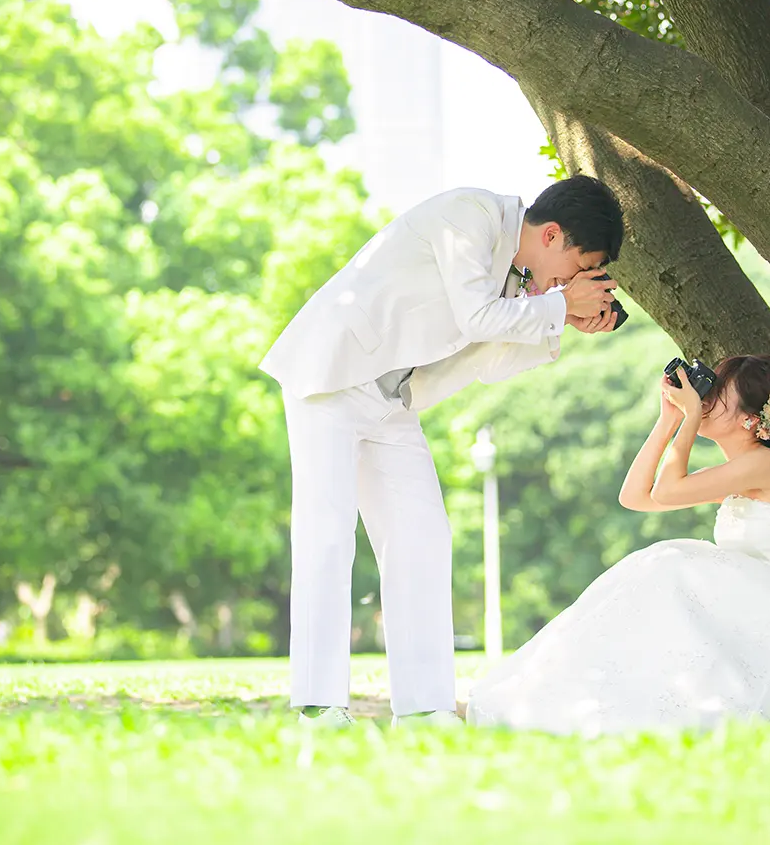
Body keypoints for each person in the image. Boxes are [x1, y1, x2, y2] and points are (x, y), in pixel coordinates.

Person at [260, 177, 627, 727]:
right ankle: (318, 704)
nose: (579, 282)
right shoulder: (471, 214)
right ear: (553, 235)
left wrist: (563, 320)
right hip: (333, 374)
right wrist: (554, 304)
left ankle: (426, 708)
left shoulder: (518, 281)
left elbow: (490, 361)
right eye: (582, 268)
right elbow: (475, 318)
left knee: (424, 537)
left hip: (393, 400)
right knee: (327, 534)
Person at [465, 354, 770, 735]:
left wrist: (687, 421)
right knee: (664, 564)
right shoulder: (741, 471)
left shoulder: (768, 464)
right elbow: (635, 497)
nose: (704, 401)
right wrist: (667, 419)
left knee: (671, 561)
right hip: (759, 612)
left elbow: (666, 490)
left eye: (718, 395)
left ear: (749, 418)